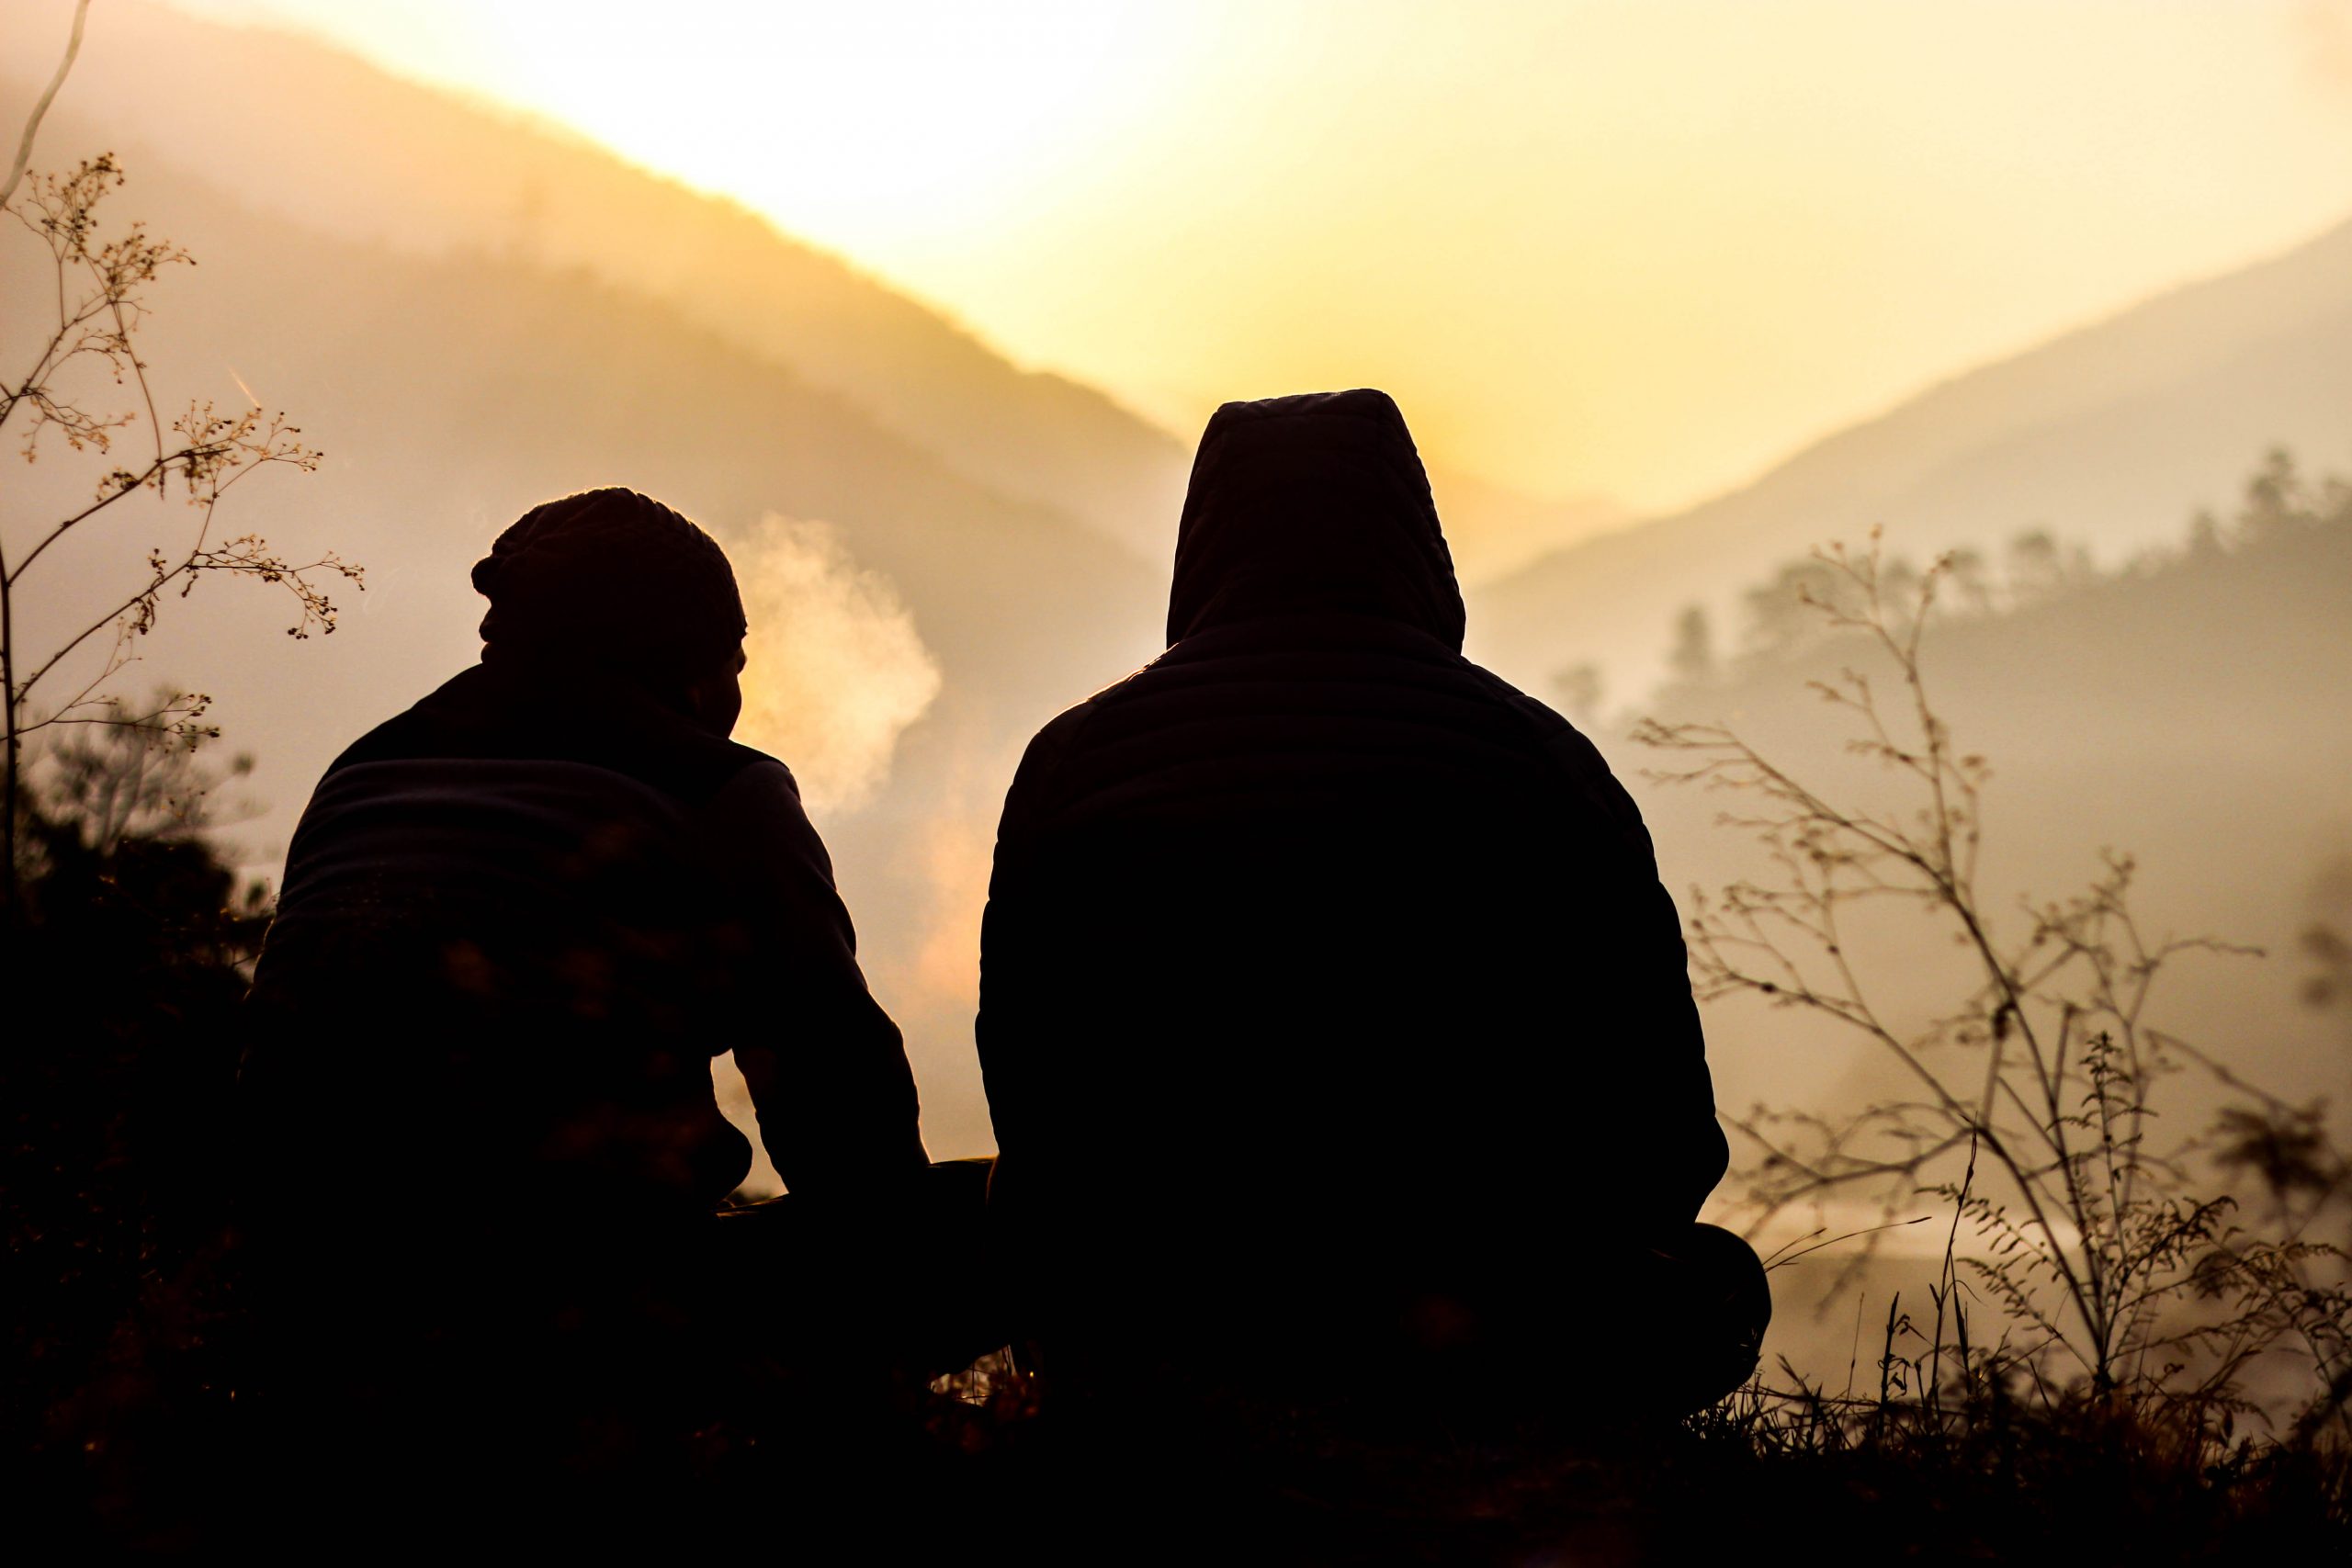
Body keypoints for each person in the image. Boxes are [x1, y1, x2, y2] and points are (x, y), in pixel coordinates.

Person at [976, 390, 1765, 1425]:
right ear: (1419, 544)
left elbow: (1025, 1078)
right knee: (1719, 1279)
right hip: (1472, 1332)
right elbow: (1663, 1124)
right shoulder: (1542, 759)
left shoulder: (1073, 759)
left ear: (1201, 546)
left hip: (1159, 1318)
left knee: (988, 1207)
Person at [237, 489, 983, 1531]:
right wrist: (895, 1306)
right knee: (1010, 1211)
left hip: (304, 1307)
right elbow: (837, 1100)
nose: (735, 691)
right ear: (683, 657)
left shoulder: (364, 771)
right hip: (582, 1326)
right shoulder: (715, 788)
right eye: (732, 659)